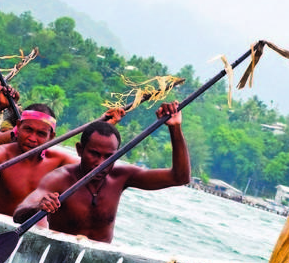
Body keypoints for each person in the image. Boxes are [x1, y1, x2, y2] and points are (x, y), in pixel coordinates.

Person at [12, 101, 189, 243]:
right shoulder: (60, 179)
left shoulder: (122, 176)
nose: (101, 164)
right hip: (58, 259)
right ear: (80, 150)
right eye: (94, 154)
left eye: (109, 157)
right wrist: (39, 206)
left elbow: (180, 177)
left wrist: (174, 128)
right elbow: (19, 214)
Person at [0, 102, 77, 216]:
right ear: (18, 126)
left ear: (51, 137)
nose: (32, 138)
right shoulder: (1, 153)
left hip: (36, 227)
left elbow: (86, 169)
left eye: (41, 134)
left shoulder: (59, 160)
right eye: (28, 130)